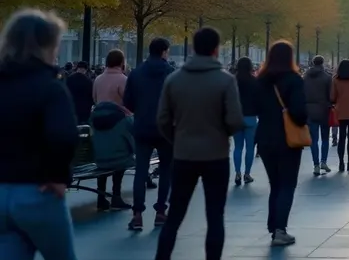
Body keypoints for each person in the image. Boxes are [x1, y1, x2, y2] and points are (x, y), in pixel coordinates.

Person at [155, 27, 244, 260]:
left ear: (193, 48)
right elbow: (235, 119)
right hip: (216, 154)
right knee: (215, 216)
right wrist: (222, 134)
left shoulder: (174, 79)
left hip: (184, 154)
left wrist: (177, 138)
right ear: (216, 49)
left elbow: (162, 119)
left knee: (175, 214)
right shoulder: (225, 81)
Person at [0, 10, 80, 260]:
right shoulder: (50, 88)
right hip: (38, 189)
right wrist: (57, 175)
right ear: (47, 46)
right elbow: (63, 136)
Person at [255, 41, 308, 247]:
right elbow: (300, 112)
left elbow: (254, 106)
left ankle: (273, 226)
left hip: (265, 137)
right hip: (287, 139)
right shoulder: (294, 80)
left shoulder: (261, 80)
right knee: (287, 184)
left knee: (274, 184)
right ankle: (280, 229)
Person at [124, 37, 175, 230]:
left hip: (143, 127)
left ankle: (137, 214)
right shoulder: (171, 73)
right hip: (165, 129)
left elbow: (128, 102)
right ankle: (161, 212)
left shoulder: (136, 73)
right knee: (165, 171)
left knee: (141, 171)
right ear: (163, 52)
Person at [90, 100, 135, 212]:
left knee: (103, 166)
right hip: (121, 159)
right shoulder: (124, 120)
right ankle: (116, 197)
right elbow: (132, 138)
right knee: (119, 164)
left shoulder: (92, 120)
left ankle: (101, 198)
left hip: (100, 160)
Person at [232, 57, 260, 186]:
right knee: (249, 148)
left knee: (237, 147)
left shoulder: (232, 81)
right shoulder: (254, 82)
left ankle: (237, 172)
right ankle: (247, 174)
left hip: (236, 117)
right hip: (251, 117)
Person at [303, 56, 333, 176]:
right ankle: (323, 161)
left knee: (313, 139)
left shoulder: (305, 77)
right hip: (324, 109)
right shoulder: (327, 77)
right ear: (322, 63)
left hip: (309, 110)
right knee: (325, 138)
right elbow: (330, 95)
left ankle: (315, 164)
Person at [65, 61, 95, 126]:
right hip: (84, 111)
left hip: (71, 109)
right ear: (86, 70)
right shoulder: (88, 81)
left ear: (77, 68)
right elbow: (92, 97)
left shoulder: (70, 79)